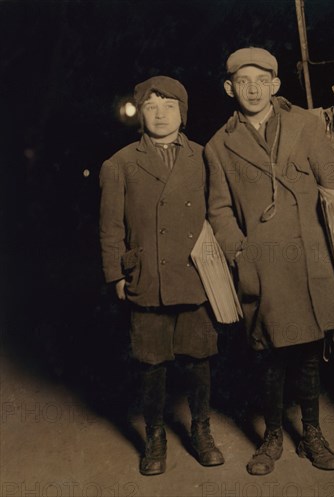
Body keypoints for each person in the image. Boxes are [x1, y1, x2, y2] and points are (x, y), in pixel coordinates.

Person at [204, 47, 334, 475]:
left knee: (306, 351)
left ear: (275, 85)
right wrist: (239, 251)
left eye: (261, 80)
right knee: (268, 353)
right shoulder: (219, 145)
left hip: (309, 256)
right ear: (230, 88)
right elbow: (219, 210)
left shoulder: (306, 123)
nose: (253, 89)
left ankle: (313, 435)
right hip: (262, 263)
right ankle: (272, 436)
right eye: (243, 82)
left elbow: (332, 186)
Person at [99, 76, 223, 476]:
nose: (160, 114)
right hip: (147, 276)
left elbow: (218, 214)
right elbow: (110, 228)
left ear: (182, 115)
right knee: (151, 362)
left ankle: (201, 430)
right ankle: (155, 436)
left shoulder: (204, 157)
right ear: (141, 115)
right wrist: (116, 274)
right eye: (152, 106)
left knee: (199, 357)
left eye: (169, 106)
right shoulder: (119, 163)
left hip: (194, 275)